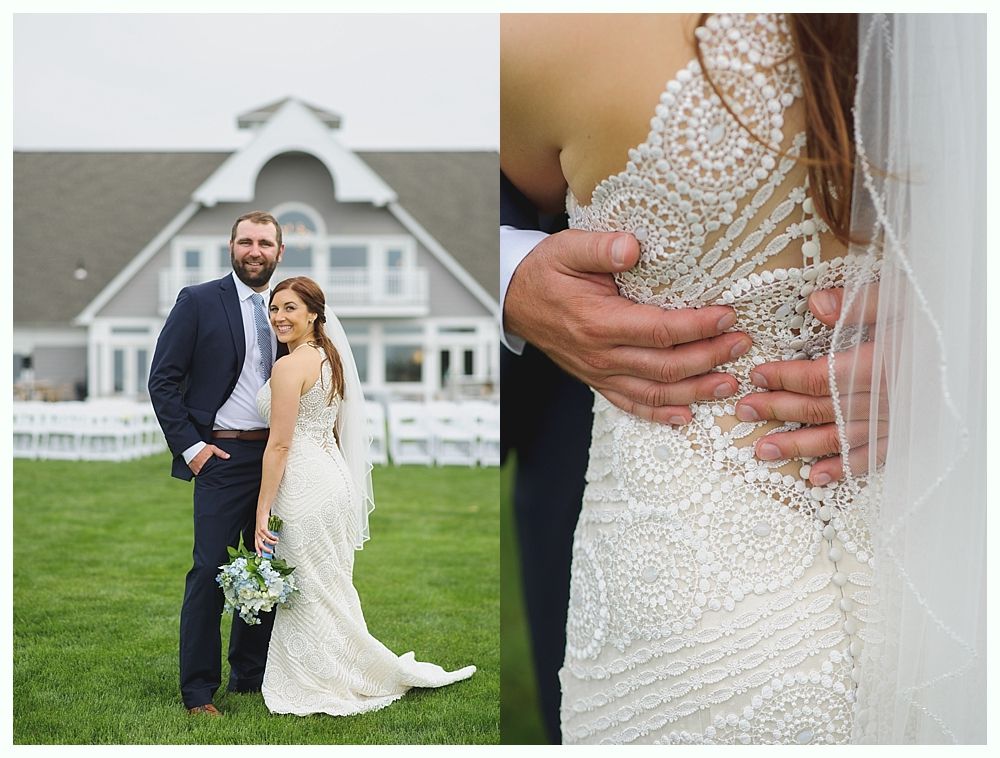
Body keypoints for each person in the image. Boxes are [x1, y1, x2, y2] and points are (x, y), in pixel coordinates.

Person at [502, 13, 985, 744]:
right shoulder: (950, 43)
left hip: (685, 588)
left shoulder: (549, 39)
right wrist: (502, 271)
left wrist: (966, 337)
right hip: (939, 558)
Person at [253, 276, 475, 715]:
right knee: (329, 582)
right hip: (333, 479)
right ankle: (345, 667)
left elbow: (279, 445)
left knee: (311, 588)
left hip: (302, 484)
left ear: (313, 313)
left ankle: (325, 678)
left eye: (289, 308)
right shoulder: (328, 358)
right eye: (274, 309)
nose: (279, 317)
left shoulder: (289, 365)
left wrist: (262, 510)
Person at [148, 210, 288, 716]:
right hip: (221, 456)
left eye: (265, 243)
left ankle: (250, 677)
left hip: (276, 458)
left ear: (279, 252)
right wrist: (193, 449)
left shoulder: (288, 307)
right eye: (246, 241)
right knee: (210, 569)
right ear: (232, 247)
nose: (255, 250)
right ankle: (198, 691)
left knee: (266, 565)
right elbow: (162, 379)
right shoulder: (199, 300)